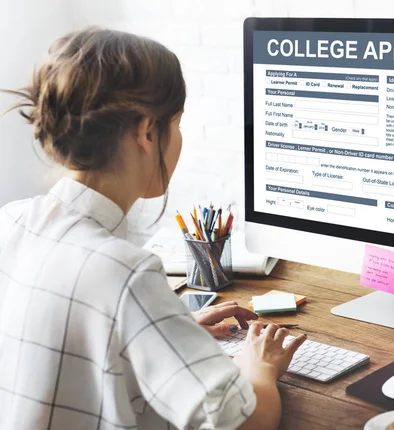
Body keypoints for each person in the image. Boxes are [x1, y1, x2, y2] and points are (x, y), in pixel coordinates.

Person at [0, 27, 306, 430]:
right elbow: (246, 422)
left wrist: (164, 329)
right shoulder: (126, 272)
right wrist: (259, 367)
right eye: (176, 124)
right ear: (147, 132)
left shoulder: (11, 221)